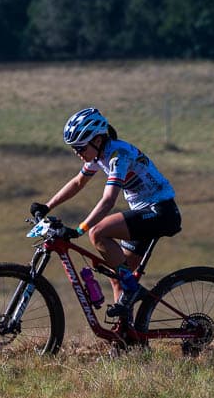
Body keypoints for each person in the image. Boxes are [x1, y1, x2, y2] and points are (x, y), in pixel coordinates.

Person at [29, 107, 182, 318]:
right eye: (74, 147)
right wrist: (47, 206)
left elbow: (108, 200)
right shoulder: (98, 156)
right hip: (145, 211)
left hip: (161, 211)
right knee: (117, 275)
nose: (77, 152)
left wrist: (80, 230)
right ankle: (126, 341)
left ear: (98, 140)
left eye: (80, 147)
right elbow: (78, 182)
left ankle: (133, 291)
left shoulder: (118, 156)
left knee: (97, 233)